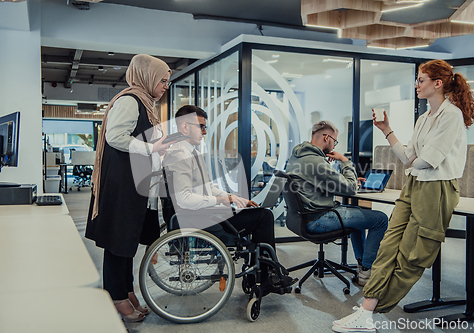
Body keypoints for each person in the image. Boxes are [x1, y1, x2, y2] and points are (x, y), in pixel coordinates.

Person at [332, 59, 474, 333]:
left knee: (413, 255)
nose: (416, 85)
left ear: (438, 83)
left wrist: (414, 159)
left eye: (421, 80)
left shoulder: (451, 116)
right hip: (414, 184)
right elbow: (409, 159)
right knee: (389, 246)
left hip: (437, 188)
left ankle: (369, 309)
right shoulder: (424, 118)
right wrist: (387, 130)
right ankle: (368, 307)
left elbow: (425, 161)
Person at [163, 104, 296, 294]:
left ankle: (262, 275)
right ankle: (265, 277)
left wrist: (232, 198)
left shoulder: (190, 152)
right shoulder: (179, 155)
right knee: (264, 217)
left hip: (204, 214)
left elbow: (207, 187)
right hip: (199, 219)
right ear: (184, 127)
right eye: (200, 126)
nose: (204, 131)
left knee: (257, 213)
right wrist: (221, 201)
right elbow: (184, 199)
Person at [85, 54, 175, 323]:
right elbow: (115, 137)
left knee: (128, 242)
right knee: (117, 243)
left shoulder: (146, 103)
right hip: (121, 184)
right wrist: (152, 148)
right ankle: (116, 298)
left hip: (133, 183)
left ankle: (125, 291)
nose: (165, 87)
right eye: (162, 81)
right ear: (147, 77)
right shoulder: (129, 100)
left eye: (167, 82)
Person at [285, 120, 389, 287]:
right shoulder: (316, 162)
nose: (334, 145)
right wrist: (344, 160)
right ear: (327, 137)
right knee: (380, 219)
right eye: (334, 140)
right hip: (318, 219)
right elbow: (349, 188)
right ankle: (367, 271)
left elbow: (324, 183)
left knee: (359, 213)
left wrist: (346, 178)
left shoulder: (297, 156)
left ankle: (362, 265)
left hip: (303, 217)